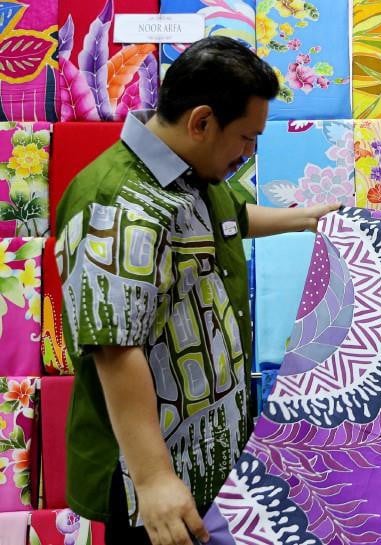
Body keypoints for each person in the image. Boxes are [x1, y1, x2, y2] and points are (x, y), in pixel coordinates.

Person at [55, 37, 339, 545]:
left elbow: (227, 220)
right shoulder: (119, 202)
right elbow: (117, 348)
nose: (250, 151)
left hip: (204, 461)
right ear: (202, 122)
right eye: (247, 137)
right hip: (152, 481)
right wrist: (154, 479)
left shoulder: (191, 176)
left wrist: (305, 219)